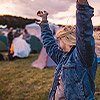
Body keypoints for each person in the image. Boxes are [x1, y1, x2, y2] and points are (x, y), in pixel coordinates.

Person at [37, 0, 97, 100]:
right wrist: (44, 23)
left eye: (59, 39)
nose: (57, 41)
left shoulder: (81, 57)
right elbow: (50, 45)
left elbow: (84, 34)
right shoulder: (64, 57)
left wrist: (82, 5)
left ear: (66, 39)